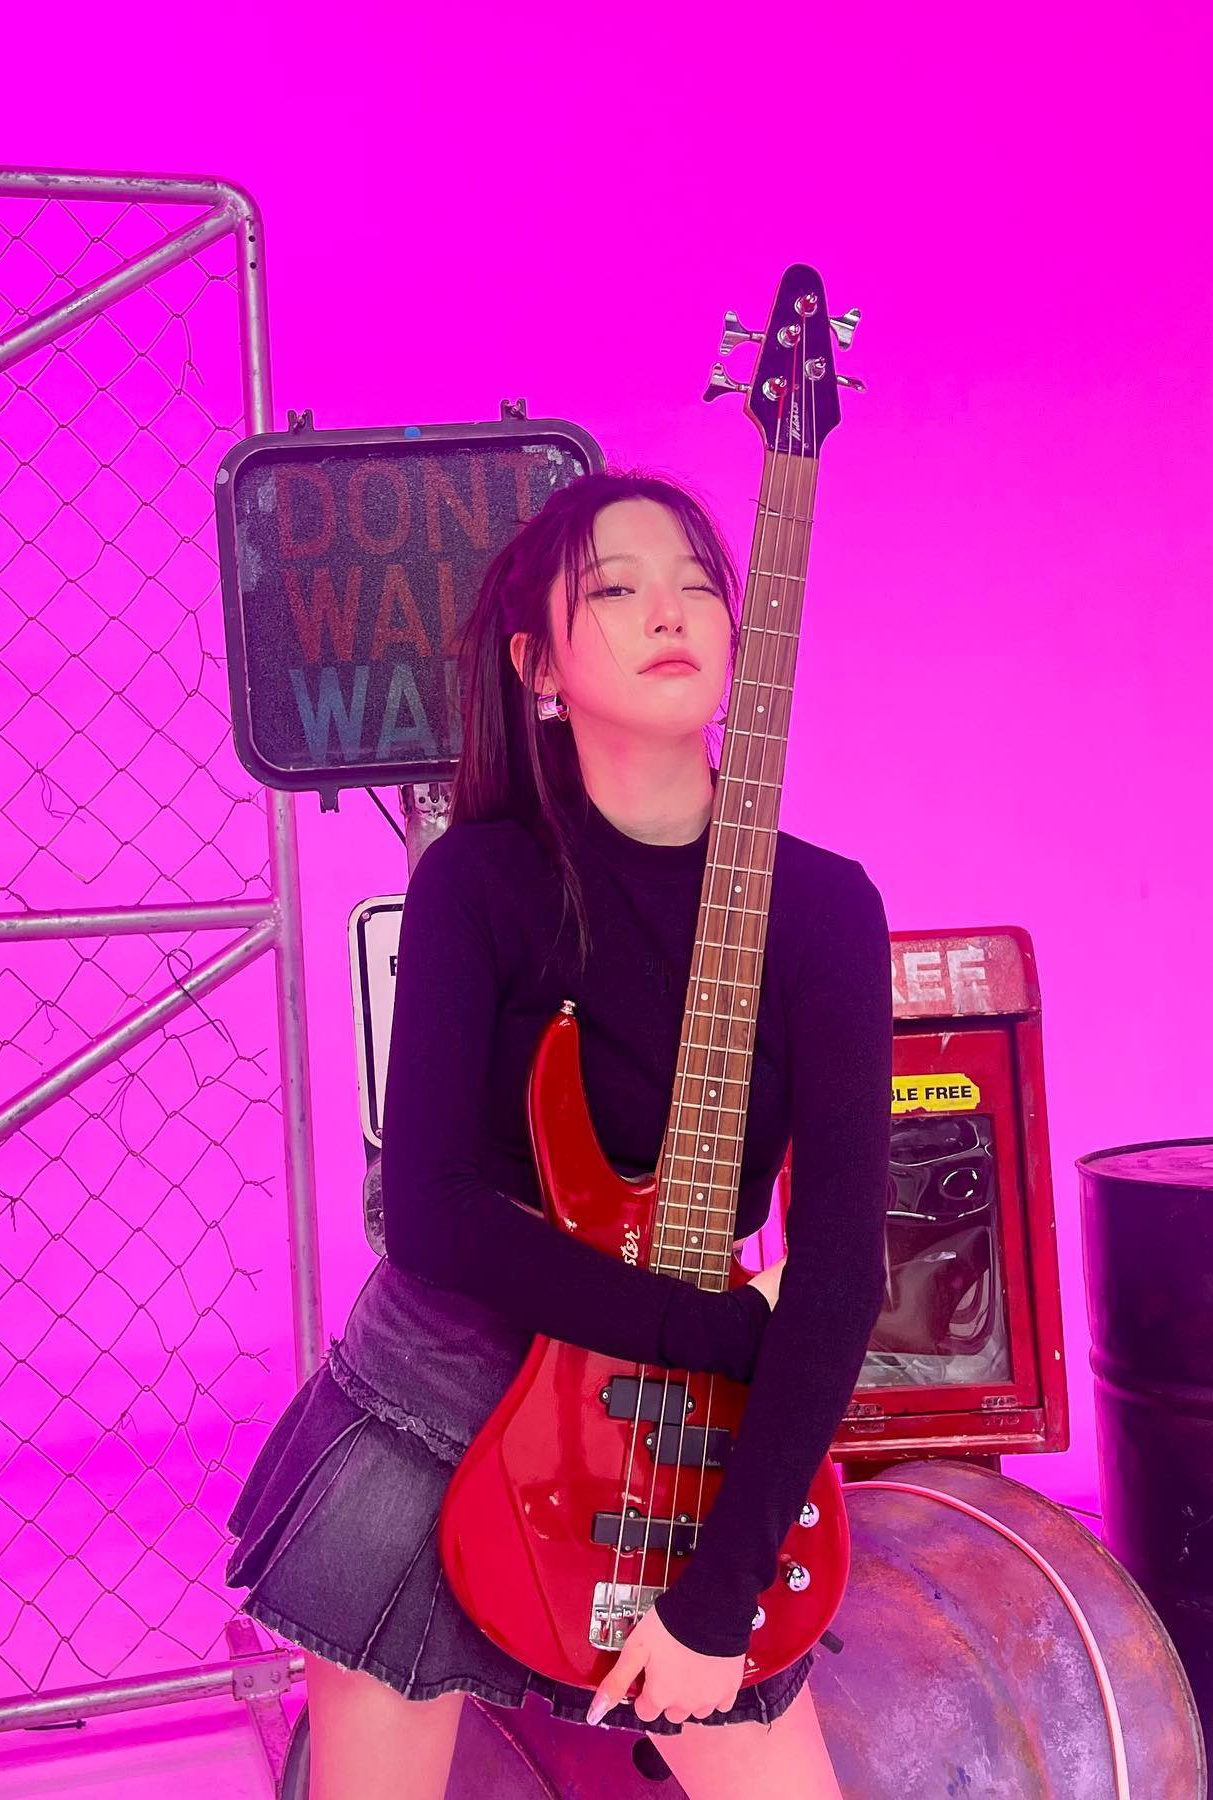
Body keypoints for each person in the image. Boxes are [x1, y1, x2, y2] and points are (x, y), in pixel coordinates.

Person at [225, 468, 894, 1800]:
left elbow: (837, 1271)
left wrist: (718, 1598)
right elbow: (433, 1213)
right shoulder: (479, 881)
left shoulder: (825, 909)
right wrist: (713, 1329)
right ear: (537, 664)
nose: (672, 611)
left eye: (698, 585)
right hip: (445, 1404)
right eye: (618, 589)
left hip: (678, 1430)